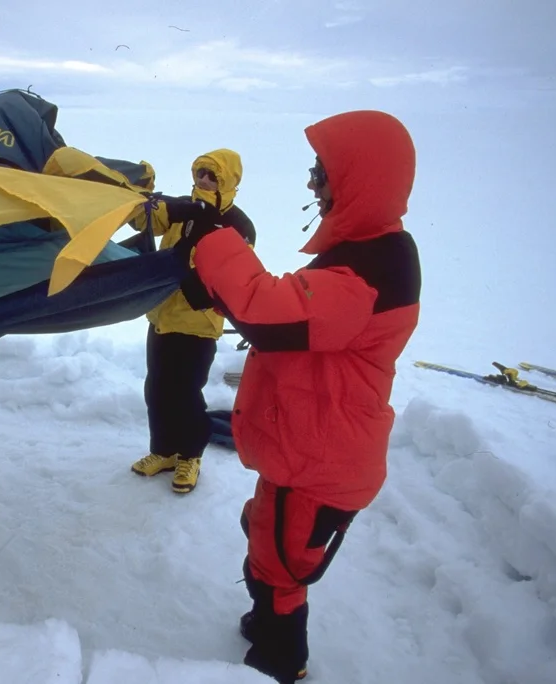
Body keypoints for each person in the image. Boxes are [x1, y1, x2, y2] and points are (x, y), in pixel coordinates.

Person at [169, 111, 421, 683]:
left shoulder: (373, 270)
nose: (312, 183)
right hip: (307, 447)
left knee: (282, 566)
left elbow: (268, 314)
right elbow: (296, 319)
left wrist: (212, 236)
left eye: (320, 171)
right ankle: (266, 620)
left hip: (322, 460)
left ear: (361, 177)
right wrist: (211, 287)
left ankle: (280, 660)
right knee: (266, 537)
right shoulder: (370, 251)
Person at [127, 149, 256, 494]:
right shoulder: (183, 208)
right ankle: (163, 451)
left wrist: (188, 269)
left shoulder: (239, 225)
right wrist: (137, 188)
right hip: (162, 317)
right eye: (200, 172)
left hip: (199, 326)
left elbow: (237, 278)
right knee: (157, 390)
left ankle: (190, 455)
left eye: (212, 176)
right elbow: (146, 220)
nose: (203, 180)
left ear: (228, 181)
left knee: (185, 394)